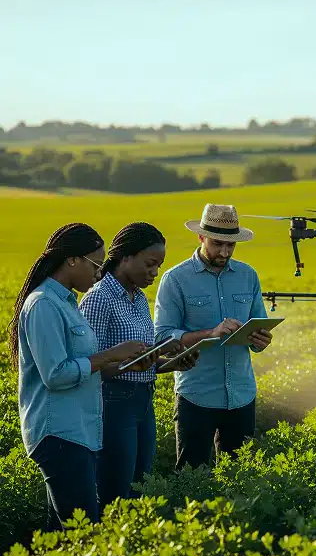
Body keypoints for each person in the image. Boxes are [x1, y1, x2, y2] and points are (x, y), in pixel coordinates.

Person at [8, 223, 146, 531]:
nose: (99, 274)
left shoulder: (66, 303)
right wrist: (111, 353)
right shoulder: (43, 304)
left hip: (77, 432)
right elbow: (56, 375)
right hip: (59, 434)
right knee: (83, 532)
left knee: (58, 534)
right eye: (95, 265)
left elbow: (85, 367)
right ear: (72, 260)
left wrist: (125, 363)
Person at [78, 222, 197, 510]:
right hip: (113, 402)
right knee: (116, 490)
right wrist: (131, 365)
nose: (154, 273)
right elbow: (92, 367)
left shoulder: (139, 299)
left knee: (139, 484)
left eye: (158, 266)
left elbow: (145, 363)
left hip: (144, 402)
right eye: (150, 264)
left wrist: (173, 363)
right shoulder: (98, 298)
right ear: (125, 257)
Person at [154, 204, 273, 470]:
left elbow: (258, 325)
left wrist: (261, 341)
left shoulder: (248, 275)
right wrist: (210, 333)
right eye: (218, 244)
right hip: (197, 395)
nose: (225, 252)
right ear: (201, 237)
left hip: (242, 394)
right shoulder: (175, 279)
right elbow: (162, 336)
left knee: (239, 478)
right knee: (190, 477)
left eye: (231, 245)